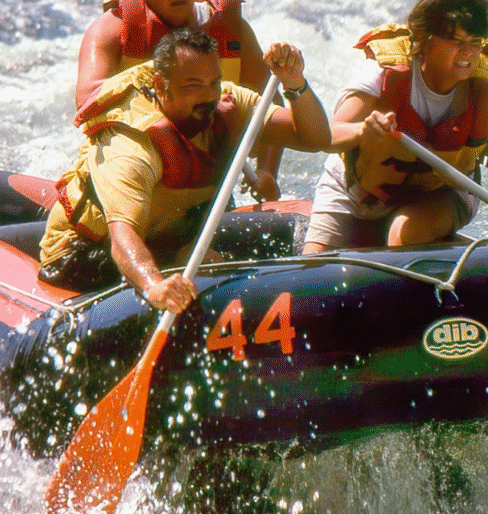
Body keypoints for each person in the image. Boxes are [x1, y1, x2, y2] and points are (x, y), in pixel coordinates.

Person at [40, 27, 330, 306]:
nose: (208, 96)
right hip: (83, 253)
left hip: (165, 239)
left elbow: (316, 137)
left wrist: (295, 84)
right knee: (202, 261)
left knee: (203, 258)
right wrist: (154, 285)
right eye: (193, 86)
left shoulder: (226, 102)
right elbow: (123, 237)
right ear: (159, 86)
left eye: (213, 83)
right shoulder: (131, 144)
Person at [302, 0, 488, 253]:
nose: (468, 53)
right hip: (354, 192)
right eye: (456, 42)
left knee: (404, 231)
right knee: (314, 269)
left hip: (439, 197)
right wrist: (364, 130)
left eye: (475, 43)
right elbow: (328, 136)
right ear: (423, 38)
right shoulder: (381, 74)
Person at [75, 0, 282, 201]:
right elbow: (87, 98)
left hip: (202, 192)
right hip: (121, 184)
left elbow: (272, 105)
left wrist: (267, 172)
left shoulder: (232, 33)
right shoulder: (113, 30)